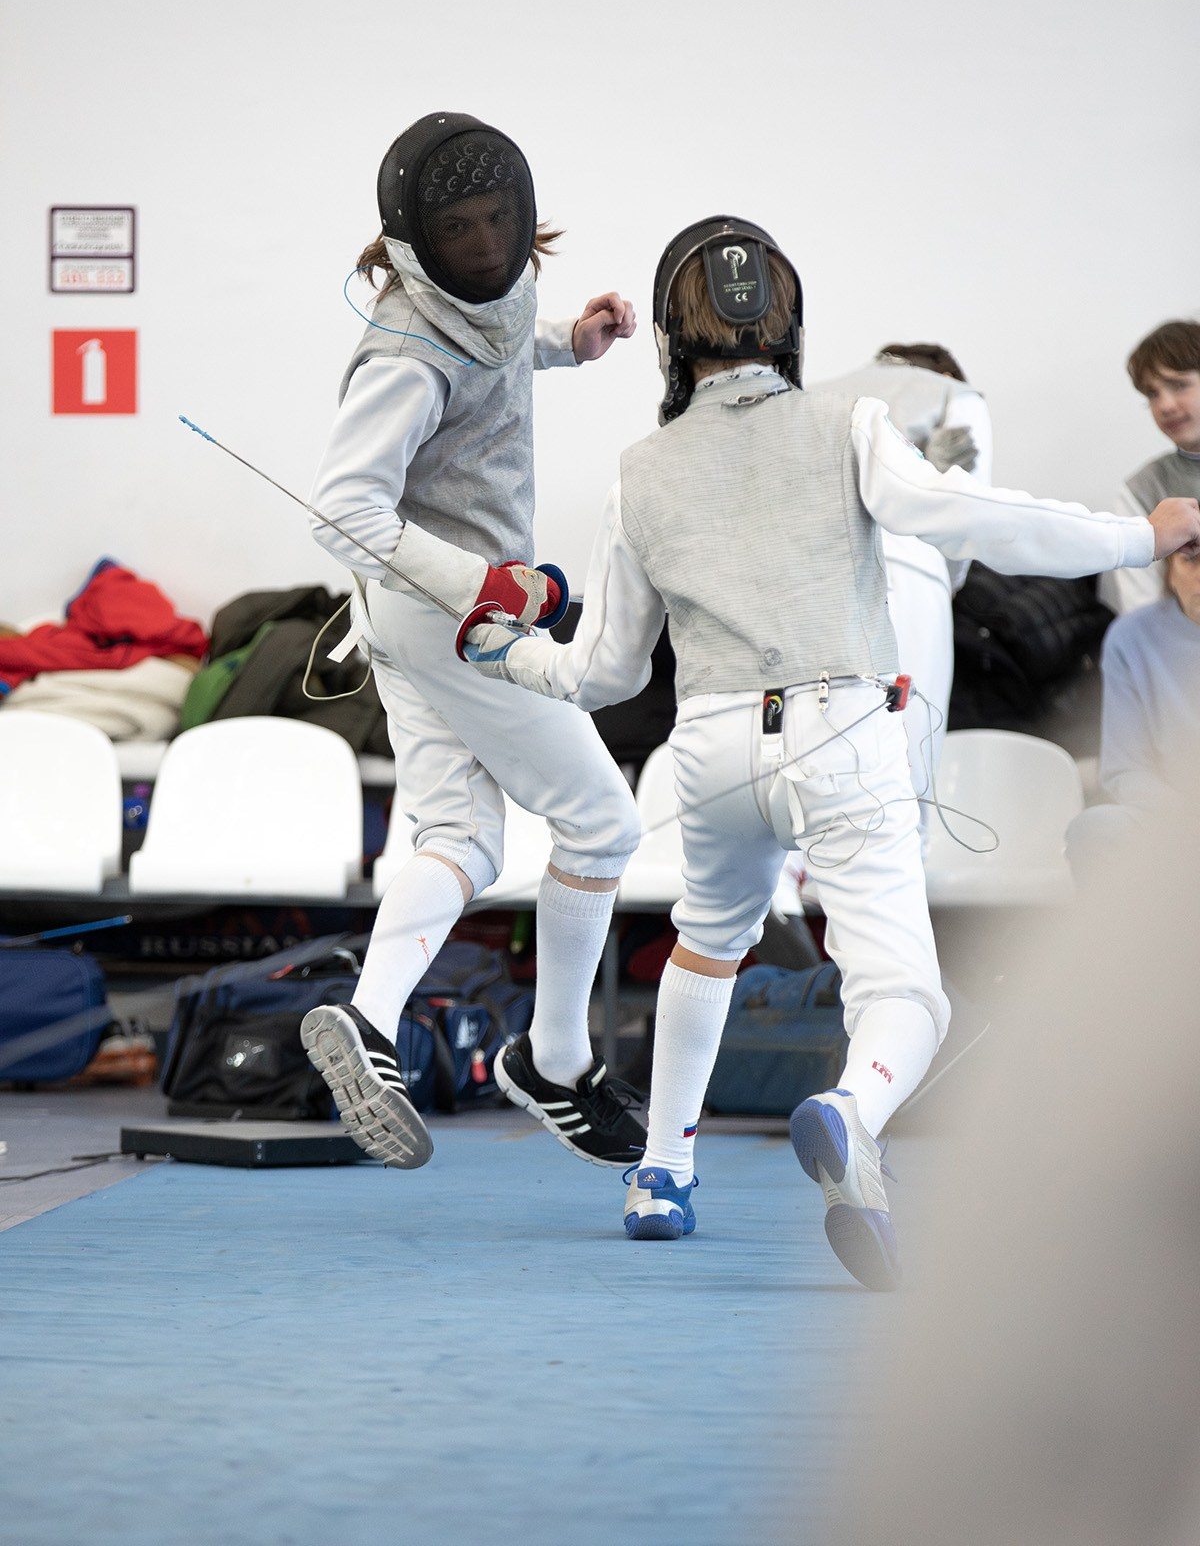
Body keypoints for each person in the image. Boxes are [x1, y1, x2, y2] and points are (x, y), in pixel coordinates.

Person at [453, 214, 1200, 1289]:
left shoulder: (640, 468)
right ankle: (852, 1112)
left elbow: (606, 674)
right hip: (844, 735)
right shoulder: (850, 424)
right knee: (906, 991)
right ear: (788, 324)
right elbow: (972, 517)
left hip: (712, 750)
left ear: (672, 335)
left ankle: (660, 1173)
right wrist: (1141, 533)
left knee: (708, 945)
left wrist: (511, 653)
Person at [299, 111, 645, 1174]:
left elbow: (496, 346)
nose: (488, 245)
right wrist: (484, 585)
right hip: (448, 612)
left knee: (463, 834)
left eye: (500, 220)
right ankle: (552, 1055)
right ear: (414, 237)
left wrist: (569, 346)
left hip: (411, 619)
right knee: (600, 822)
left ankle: (368, 1020)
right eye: (462, 228)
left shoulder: (496, 293)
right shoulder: (401, 354)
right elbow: (340, 508)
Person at [817, 343, 992, 843]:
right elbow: (963, 530)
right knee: (903, 785)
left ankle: (795, 893)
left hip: (810, 583)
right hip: (914, 575)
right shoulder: (956, 399)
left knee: (817, 769)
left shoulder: (813, 399)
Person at [1067, 546, 1200, 876]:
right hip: (1174, 822)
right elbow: (1124, 769)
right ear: (1169, 566)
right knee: (1095, 829)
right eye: (1192, 559)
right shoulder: (1131, 639)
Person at [1102, 319, 1200, 615]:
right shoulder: (1142, 491)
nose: (1165, 405)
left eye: (1178, 385)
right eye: (1152, 394)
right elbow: (1144, 615)